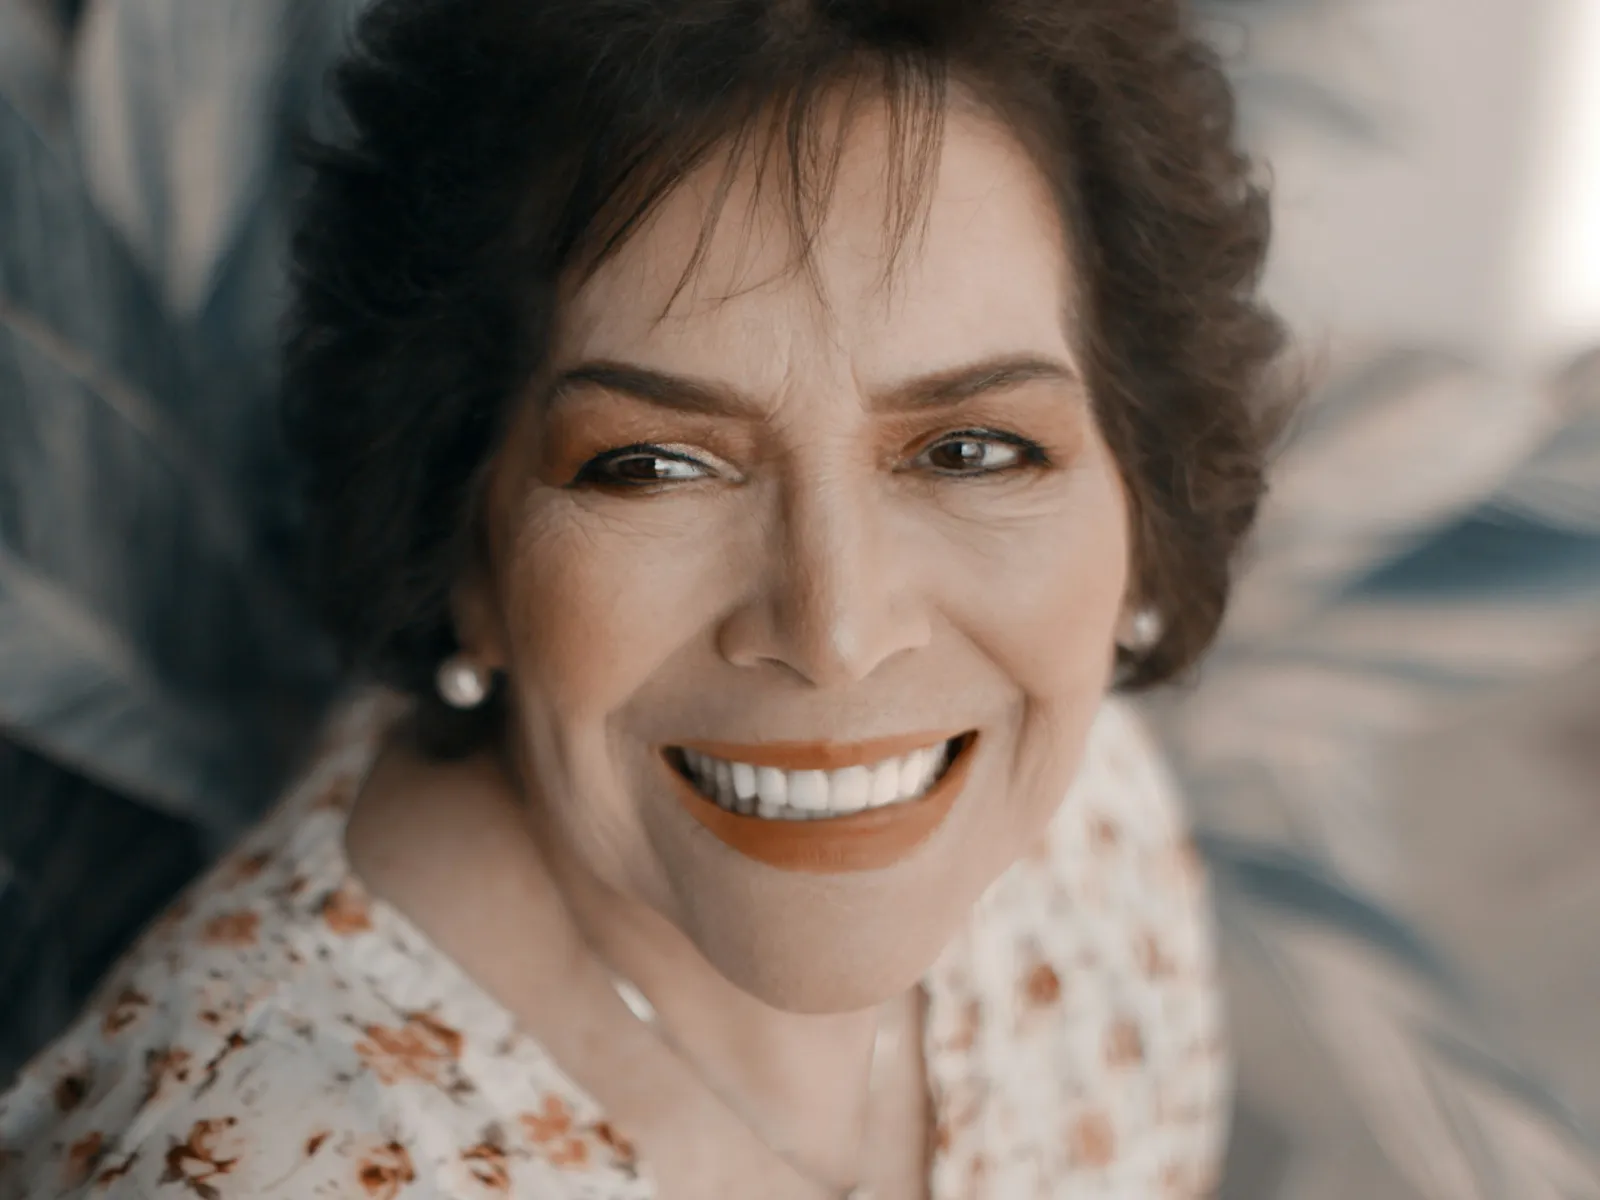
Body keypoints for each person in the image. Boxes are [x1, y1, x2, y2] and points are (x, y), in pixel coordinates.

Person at [0, 0, 1287, 1194]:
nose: (835, 635)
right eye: (653, 466)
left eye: (971, 450)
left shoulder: (1091, 833)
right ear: (467, 543)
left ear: (1139, 496)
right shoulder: (286, 1162)